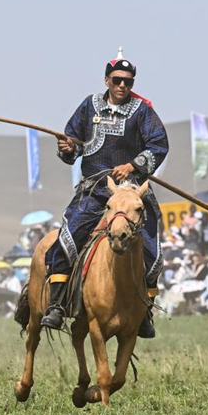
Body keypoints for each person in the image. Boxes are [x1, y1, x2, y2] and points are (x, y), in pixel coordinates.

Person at [42, 48, 169, 338]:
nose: (122, 85)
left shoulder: (143, 111)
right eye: (117, 80)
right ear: (106, 81)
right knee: (68, 238)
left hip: (131, 192)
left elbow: (159, 145)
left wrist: (133, 165)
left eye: (128, 81)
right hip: (95, 190)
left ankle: (145, 311)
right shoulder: (89, 106)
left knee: (152, 253)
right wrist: (68, 148)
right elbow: (73, 143)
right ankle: (57, 305)